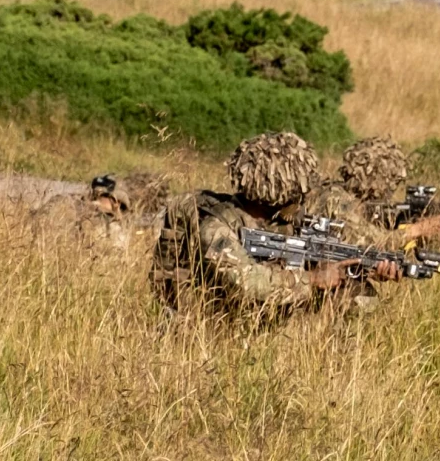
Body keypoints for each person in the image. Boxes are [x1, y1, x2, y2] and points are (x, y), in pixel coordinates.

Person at [150, 132, 401, 325]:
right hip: (208, 327)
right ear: (279, 193)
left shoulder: (282, 223)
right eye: (297, 191)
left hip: (258, 321)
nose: (303, 196)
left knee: (357, 293)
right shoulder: (216, 226)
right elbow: (247, 283)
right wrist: (314, 279)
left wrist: (359, 268)